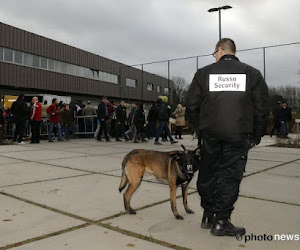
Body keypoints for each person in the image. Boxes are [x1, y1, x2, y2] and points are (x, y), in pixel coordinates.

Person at [186, 38, 269, 237]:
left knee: (208, 172)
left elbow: (191, 105)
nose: (214, 56)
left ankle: (208, 214)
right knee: (229, 176)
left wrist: (199, 129)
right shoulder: (252, 73)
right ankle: (221, 220)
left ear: (220, 50)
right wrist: (256, 136)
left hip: (211, 135)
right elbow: (262, 109)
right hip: (238, 135)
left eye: (214, 53)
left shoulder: (203, 73)